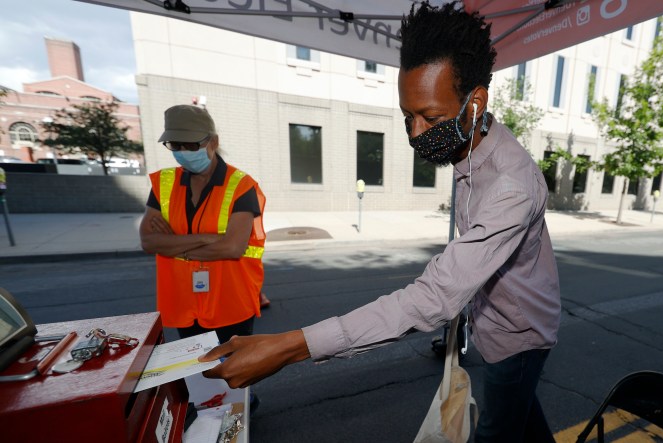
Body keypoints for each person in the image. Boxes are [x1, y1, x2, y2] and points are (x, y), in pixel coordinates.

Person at [200, 2, 561, 441]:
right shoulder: (471, 148)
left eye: (431, 117)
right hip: (492, 322)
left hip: (518, 337)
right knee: (524, 422)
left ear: (476, 102)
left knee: (495, 431)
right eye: (408, 116)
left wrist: (290, 345)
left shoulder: (511, 184)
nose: (415, 133)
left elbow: (433, 297)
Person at [139, 104, 269, 344]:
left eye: (191, 145)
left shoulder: (241, 185)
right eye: (175, 146)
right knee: (195, 376)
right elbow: (148, 241)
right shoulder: (164, 184)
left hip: (231, 305)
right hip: (185, 306)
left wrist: (174, 245)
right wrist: (209, 237)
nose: (182, 152)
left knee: (232, 376)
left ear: (214, 142)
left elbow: (232, 247)